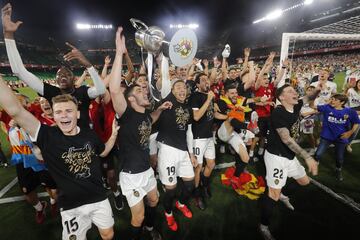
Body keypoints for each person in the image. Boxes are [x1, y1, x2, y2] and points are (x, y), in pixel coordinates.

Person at [0, 66, 119, 240]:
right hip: (71, 204)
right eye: (59, 112)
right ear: (53, 116)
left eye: (68, 111)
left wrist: (114, 134)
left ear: (77, 114)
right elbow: (15, 110)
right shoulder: (46, 135)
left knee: (108, 234)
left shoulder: (89, 134)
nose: (64, 115)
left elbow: (103, 152)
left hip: (98, 197)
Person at [109, 27, 171, 240]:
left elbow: (150, 120)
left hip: (146, 171)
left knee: (154, 201)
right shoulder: (125, 113)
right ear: (131, 99)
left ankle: (151, 229)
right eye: (139, 91)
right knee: (138, 216)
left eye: (144, 89)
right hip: (131, 176)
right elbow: (115, 90)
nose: (145, 90)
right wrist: (119, 54)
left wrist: (160, 110)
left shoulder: (145, 114)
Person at [2, 3, 105, 129]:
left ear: (74, 79)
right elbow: (19, 72)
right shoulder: (51, 92)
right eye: (59, 74)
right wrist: (8, 35)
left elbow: (100, 90)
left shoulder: (82, 92)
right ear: (56, 79)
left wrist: (88, 65)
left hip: (84, 142)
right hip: (60, 143)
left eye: (67, 74)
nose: (62, 76)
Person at [259, 84, 320, 240]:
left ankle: (283, 195)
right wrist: (307, 157)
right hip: (276, 158)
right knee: (273, 193)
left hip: (289, 156)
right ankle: (263, 225)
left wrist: (320, 87)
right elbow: (286, 139)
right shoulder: (278, 113)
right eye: (289, 91)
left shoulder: (297, 103)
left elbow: (310, 97)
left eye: (294, 90)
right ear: (281, 98)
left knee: (304, 181)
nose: (294, 92)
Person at [156, 79, 197, 232]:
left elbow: (189, 132)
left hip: (183, 151)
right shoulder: (167, 102)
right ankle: (168, 213)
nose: (182, 89)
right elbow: (161, 82)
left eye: (183, 87)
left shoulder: (187, 108)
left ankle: (180, 203)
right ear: (172, 91)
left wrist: (191, 153)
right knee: (171, 189)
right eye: (178, 87)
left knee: (190, 184)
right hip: (167, 150)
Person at [8, 119, 58, 223]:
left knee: (51, 186)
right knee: (27, 191)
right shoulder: (10, 121)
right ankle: (40, 208)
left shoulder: (32, 117)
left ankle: (53, 202)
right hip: (22, 160)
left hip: (38, 157)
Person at [314, 94, 360, 181]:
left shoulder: (350, 111)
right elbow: (312, 106)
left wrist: (350, 132)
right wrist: (314, 97)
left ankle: (338, 169)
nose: (332, 101)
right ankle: (315, 162)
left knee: (339, 159)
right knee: (318, 154)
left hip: (341, 138)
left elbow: (356, 122)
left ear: (342, 102)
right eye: (332, 99)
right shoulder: (327, 107)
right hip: (326, 136)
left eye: (335, 100)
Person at [190, 73, 216, 210]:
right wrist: (209, 99)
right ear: (198, 84)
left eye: (207, 79)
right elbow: (196, 116)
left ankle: (204, 185)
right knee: (198, 168)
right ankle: (197, 195)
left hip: (208, 136)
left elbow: (213, 114)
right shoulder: (195, 96)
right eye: (203, 80)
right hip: (198, 137)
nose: (207, 81)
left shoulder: (210, 96)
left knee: (211, 164)